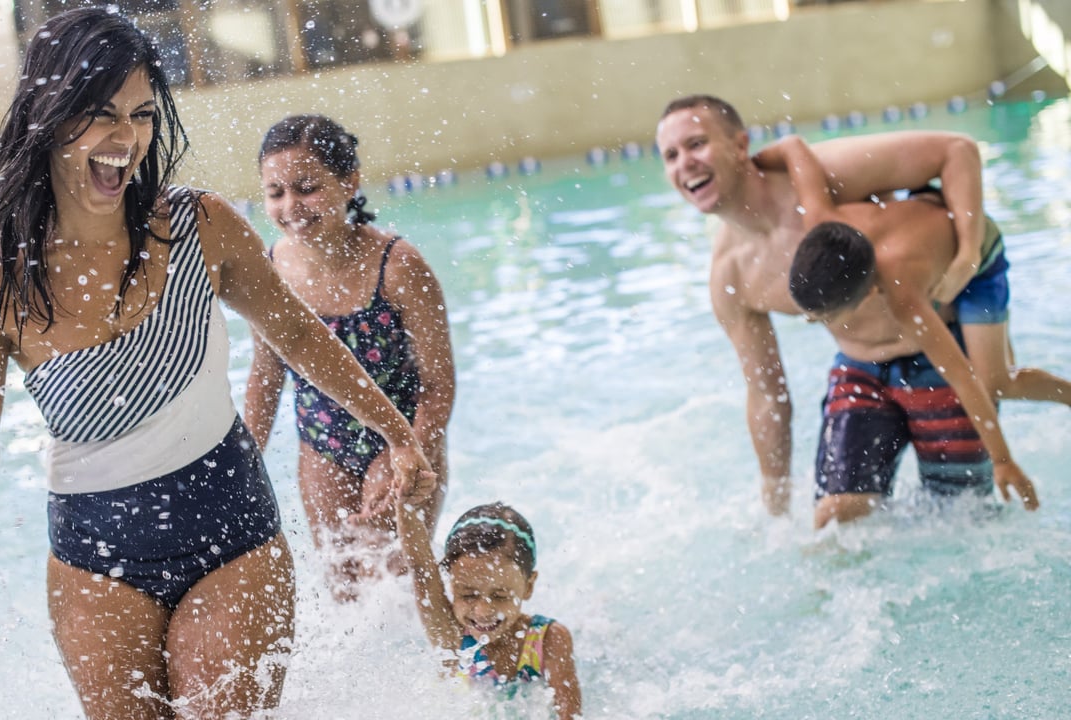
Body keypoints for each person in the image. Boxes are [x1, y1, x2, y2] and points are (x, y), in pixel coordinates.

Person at [0, 9, 436, 719]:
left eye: (143, 114)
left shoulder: (199, 227)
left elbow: (299, 338)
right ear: (50, 115)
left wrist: (399, 435)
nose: (127, 139)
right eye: (101, 114)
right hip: (95, 554)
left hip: (229, 529)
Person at [656, 94, 995, 516]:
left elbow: (957, 150)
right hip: (860, 370)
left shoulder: (821, 176)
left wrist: (969, 255)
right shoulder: (732, 276)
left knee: (963, 520)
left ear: (740, 146)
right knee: (835, 521)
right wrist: (774, 502)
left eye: (696, 144)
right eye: (670, 155)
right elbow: (766, 394)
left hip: (942, 359)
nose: (684, 163)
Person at [762, 134, 1041, 526]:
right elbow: (793, 147)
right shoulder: (821, 222)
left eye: (826, 317)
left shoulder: (901, 295)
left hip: (977, 263)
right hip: (919, 218)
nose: (818, 324)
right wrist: (754, 162)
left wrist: (1003, 460)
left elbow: (961, 376)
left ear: (871, 294)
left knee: (995, 382)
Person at [245, 114, 455, 601]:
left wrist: (415, 455)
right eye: (275, 192)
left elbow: (438, 383)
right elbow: (266, 374)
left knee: (396, 584)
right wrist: (241, 467)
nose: (290, 206)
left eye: (306, 188)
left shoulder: (399, 268)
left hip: (403, 436)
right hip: (322, 443)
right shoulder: (271, 270)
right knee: (344, 592)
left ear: (349, 182)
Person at [395, 501, 582, 720]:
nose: (483, 612)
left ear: (528, 586)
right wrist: (406, 503)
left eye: (500, 595)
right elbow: (421, 571)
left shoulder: (548, 639)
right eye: (467, 594)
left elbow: (571, 715)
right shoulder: (452, 635)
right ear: (450, 584)